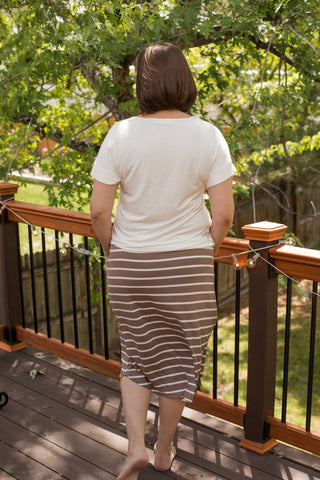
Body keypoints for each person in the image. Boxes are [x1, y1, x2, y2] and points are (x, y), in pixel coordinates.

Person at [90, 42, 235, 480]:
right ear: (184, 80)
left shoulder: (122, 133)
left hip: (130, 262)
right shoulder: (208, 134)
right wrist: (204, 249)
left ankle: (134, 445)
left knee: (136, 356)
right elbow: (225, 213)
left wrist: (111, 251)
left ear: (143, 84)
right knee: (180, 360)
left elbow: (98, 211)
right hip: (187, 264)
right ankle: (163, 449)